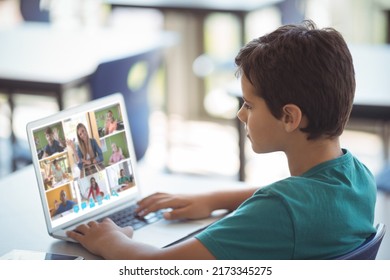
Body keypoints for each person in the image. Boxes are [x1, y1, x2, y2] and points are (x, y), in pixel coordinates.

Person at [66, 20, 377, 260]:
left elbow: (158, 267)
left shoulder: (276, 214)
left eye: (250, 105)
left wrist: (110, 240)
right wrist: (213, 199)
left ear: (289, 118)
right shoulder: (357, 176)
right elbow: (293, 200)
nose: (241, 114)